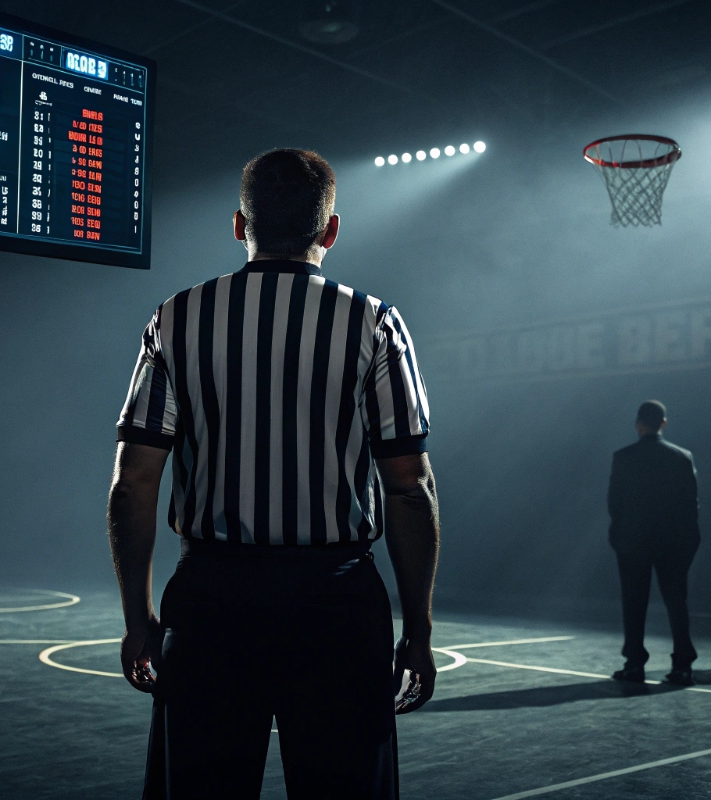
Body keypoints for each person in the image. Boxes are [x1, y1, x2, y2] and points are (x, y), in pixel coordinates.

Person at [108, 148, 440, 799]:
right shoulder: (374, 323)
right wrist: (418, 633)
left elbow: (134, 483)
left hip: (212, 601)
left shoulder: (175, 319)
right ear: (331, 230)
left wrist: (138, 618)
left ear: (240, 225)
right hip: (336, 603)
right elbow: (409, 486)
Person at [606, 400, 699, 685]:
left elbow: (615, 503)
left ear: (639, 424)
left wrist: (619, 536)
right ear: (663, 423)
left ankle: (635, 663)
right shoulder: (682, 457)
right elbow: (690, 505)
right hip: (672, 542)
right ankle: (683, 664)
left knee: (634, 603)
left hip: (633, 541)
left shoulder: (623, 457)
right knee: (676, 604)